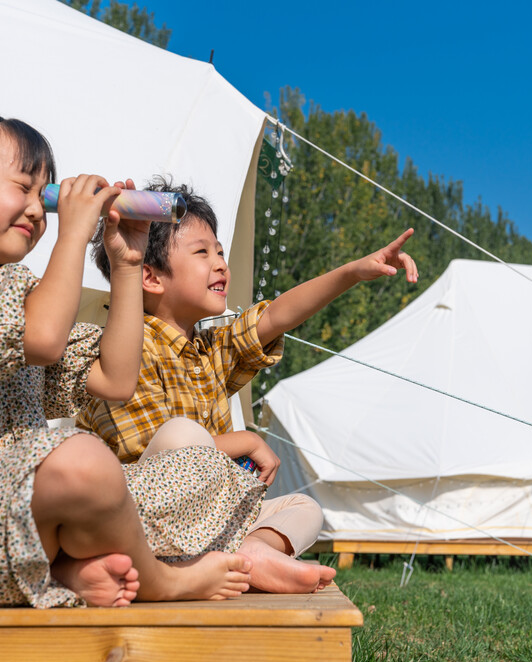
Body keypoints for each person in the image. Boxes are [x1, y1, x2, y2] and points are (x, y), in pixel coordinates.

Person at [0, 115, 260, 609]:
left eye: (47, 197)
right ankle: (163, 579)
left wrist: (126, 264)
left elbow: (115, 378)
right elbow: (44, 339)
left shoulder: (25, 293)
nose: (38, 209)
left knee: (197, 466)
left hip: (25, 510)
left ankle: (63, 570)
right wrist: (73, 235)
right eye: (24, 188)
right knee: (83, 459)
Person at [77, 178, 418, 593]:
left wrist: (352, 273)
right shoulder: (126, 348)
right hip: (141, 517)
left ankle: (250, 554)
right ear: (150, 277)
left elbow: (276, 316)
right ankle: (207, 561)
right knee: (183, 433)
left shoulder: (210, 347)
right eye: (202, 252)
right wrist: (242, 442)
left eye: (219, 251)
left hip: (205, 516)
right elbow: (144, 457)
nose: (221, 263)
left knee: (304, 508)